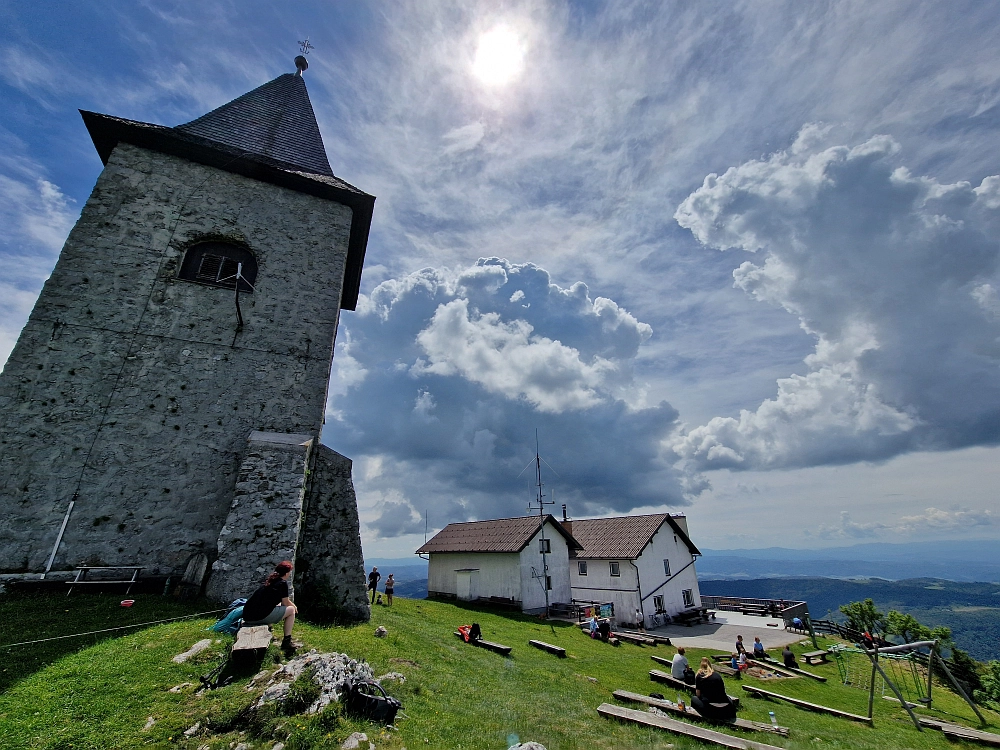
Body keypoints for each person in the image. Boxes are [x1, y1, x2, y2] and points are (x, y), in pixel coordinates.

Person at [241, 560, 298, 654]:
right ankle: (287, 641)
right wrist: (294, 606)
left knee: (276, 606)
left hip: (247, 616)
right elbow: (286, 602)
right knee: (291, 610)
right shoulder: (282, 583)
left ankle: (269, 628)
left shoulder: (271, 581)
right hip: (257, 617)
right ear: (287, 573)